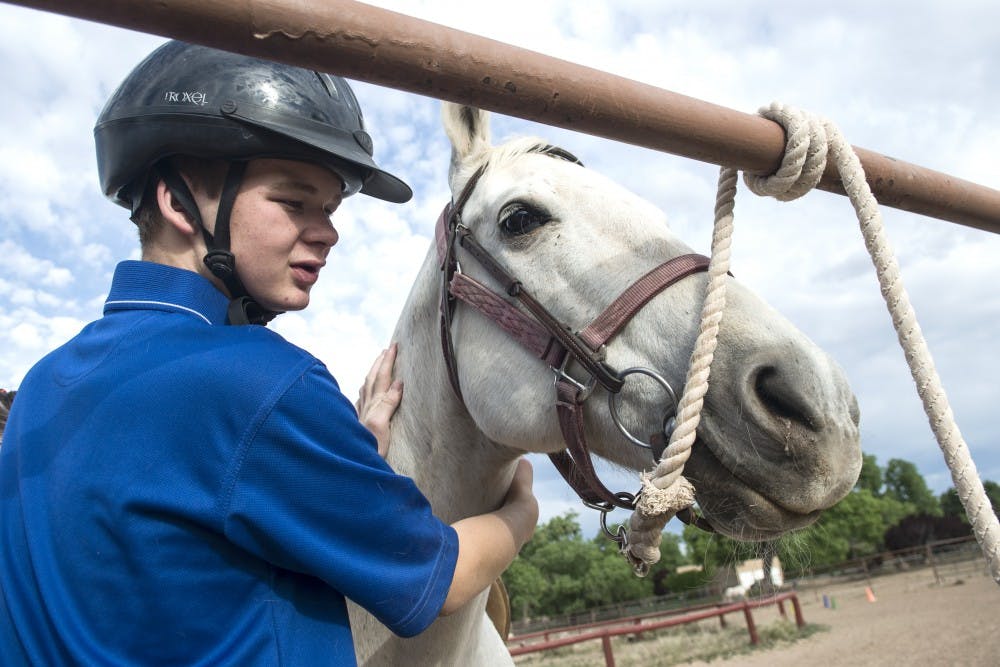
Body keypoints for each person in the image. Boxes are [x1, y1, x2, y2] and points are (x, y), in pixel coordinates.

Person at [0, 41, 538, 666]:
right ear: (178, 201)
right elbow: (439, 580)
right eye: (293, 201)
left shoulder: (41, 387)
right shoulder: (264, 383)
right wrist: (520, 513)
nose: (329, 232)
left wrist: (342, 454)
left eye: (331, 209)